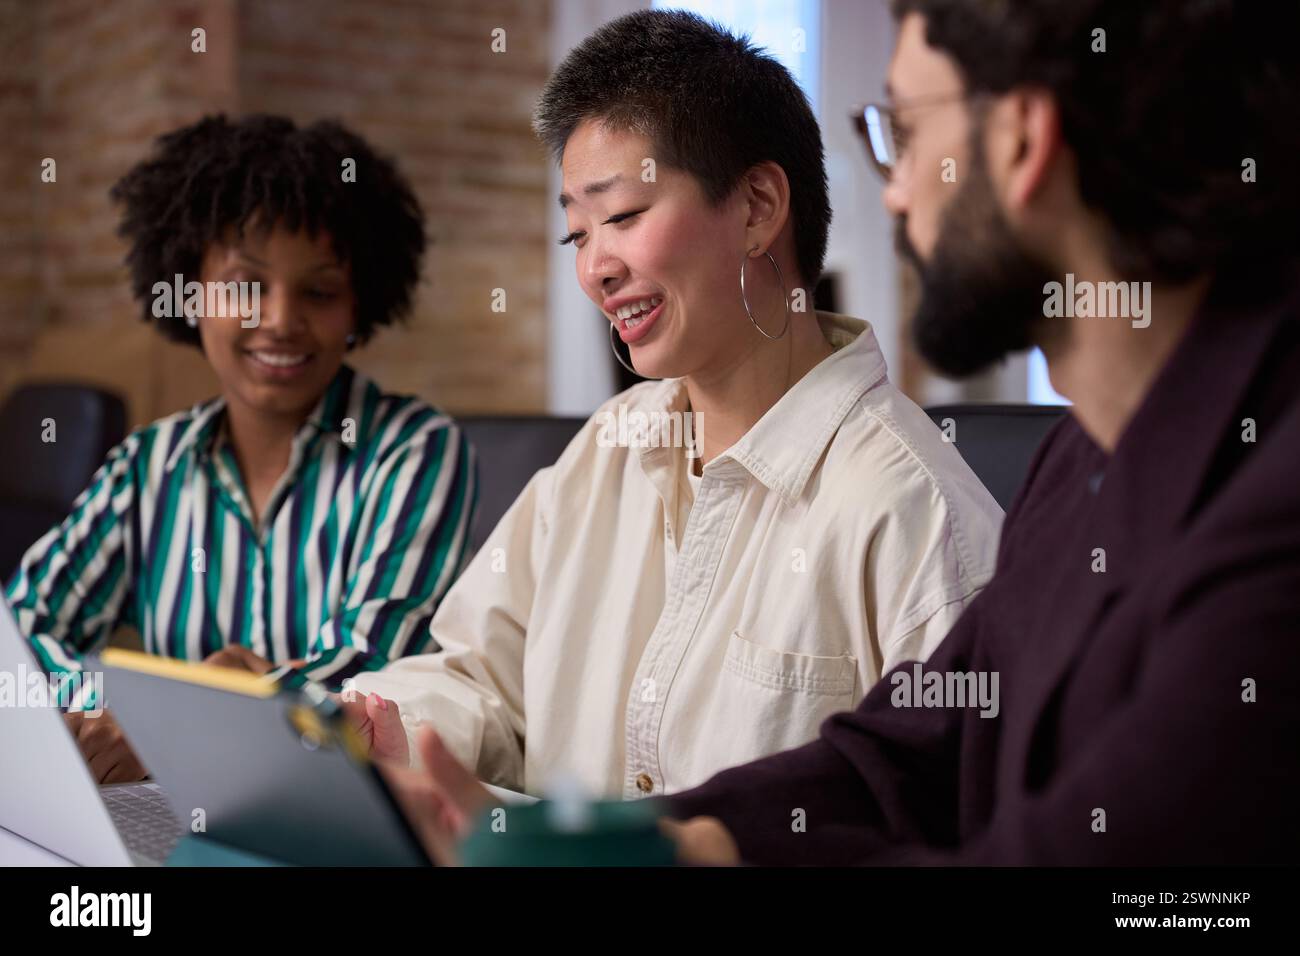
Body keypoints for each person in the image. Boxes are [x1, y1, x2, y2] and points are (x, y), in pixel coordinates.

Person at [384, 0, 1300, 865]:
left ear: (1022, 140)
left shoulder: (1264, 515)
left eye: (905, 131)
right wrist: (671, 844)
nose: (892, 194)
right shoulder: (1081, 466)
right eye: (578, 234)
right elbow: (908, 756)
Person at [347, 10, 1002, 799]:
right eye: (577, 235)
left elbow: (963, 820)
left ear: (757, 206)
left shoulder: (916, 514)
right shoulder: (607, 448)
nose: (595, 269)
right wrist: (383, 728)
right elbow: (475, 677)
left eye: (623, 216)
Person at [5, 115, 477, 785]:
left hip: (334, 804)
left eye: (319, 291)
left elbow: (369, 677)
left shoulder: (416, 451)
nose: (280, 319)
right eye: (245, 286)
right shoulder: (146, 466)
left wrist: (171, 718)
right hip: (165, 798)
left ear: (358, 307)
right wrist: (120, 710)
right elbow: (19, 635)